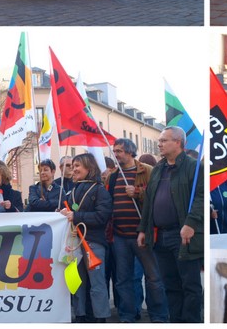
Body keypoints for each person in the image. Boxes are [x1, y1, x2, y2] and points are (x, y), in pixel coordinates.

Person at [137, 127, 203, 323]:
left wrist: (191, 222)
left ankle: (191, 322)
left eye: (164, 140)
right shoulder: (158, 168)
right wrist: (142, 229)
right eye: (159, 140)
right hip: (160, 236)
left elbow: (200, 196)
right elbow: (149, 201)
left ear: (178, 142)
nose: (159, 144)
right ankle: (176, 321)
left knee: (189, 285)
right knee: (170, 284)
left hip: (183, 235)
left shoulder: (193, 167)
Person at [106, 138, 168, 323]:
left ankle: (158, 315)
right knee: (123, 279)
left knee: (153, 278)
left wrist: (139, 193)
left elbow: (158, 198)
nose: (116, 154)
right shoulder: (113, 176)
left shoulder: (148, 171)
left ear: (131, 152)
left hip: (143, 234)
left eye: (120, 151)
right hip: (119, 236)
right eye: (115, 151)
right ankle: (128, 315)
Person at [59, 153, 113, 323]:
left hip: (94, 243)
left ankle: (100, 317)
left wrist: (76, 216)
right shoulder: (72, 191)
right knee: (77, 282)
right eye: (72, 166)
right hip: (75, 244)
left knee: (97, 284)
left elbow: (102, 217)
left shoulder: (100, 190)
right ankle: (80, 315)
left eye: (77, 166)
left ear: (89, 168)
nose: (73, 170)